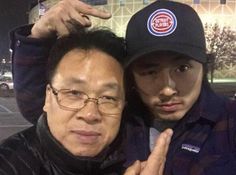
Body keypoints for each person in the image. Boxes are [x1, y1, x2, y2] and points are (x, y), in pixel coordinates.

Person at [9, 0, 236, 174]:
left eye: (182, 68)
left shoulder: (229, 124)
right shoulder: (118, 117)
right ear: (131, 76)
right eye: (149, 71)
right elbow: (42, 109)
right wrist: (37, 37)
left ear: (204, 66)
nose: (167, 89)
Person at [1, 28, 173, 174]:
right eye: (74, 93)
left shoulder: (145, 159)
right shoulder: (10, 162)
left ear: (123, 105)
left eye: (108, 98)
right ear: (48, 97)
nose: (90, 114)